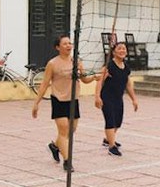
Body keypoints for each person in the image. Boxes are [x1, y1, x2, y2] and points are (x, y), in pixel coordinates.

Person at [32, 34, 98, 171]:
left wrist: (96, 77)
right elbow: (44, 84)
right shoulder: (52, 64)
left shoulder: (77, 61)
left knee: (71, 130)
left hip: (73, 99)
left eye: (70, 43)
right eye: (65, 44)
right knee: (63, 131)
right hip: (58, 99)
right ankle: (67, 161)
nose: (68, 46)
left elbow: (84, 79)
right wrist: (36, 103)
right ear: (58, 47)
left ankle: (54, 146)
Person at [94, 41, 138, 156]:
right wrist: (97, 97)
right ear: (113, 52)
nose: (122, 51)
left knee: (118, 122)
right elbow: (99, 82)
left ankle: (108, 139)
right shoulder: (109, 66)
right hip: (107, 97)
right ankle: (112, 147)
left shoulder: (126, 67)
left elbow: (128, 84)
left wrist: (134, 99)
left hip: (118, 98)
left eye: (124, 49)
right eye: (119, 48)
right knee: (110, 120)